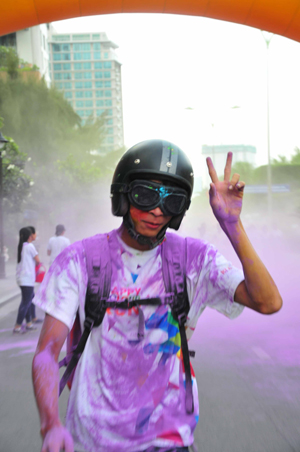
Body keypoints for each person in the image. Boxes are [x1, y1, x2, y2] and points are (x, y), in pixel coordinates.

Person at [32, 140, 282, 452]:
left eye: (172, 202)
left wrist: (232, 225)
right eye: (145, 195)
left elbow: (268, 301)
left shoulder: (194, 258)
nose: (156, 210)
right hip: (91, 441)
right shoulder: (79, 259)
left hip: (169, 441)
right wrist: (50, 424)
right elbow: (46, 351)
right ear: (124, 194)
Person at [13, 227, 41, 333]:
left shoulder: (21, 247)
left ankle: (29, 323)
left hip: (21, 278)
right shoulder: (30, 246)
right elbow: (38, 261)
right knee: (26, 302)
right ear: (30, 236)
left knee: (28, 300)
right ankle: (17, 326)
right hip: (27, 279)